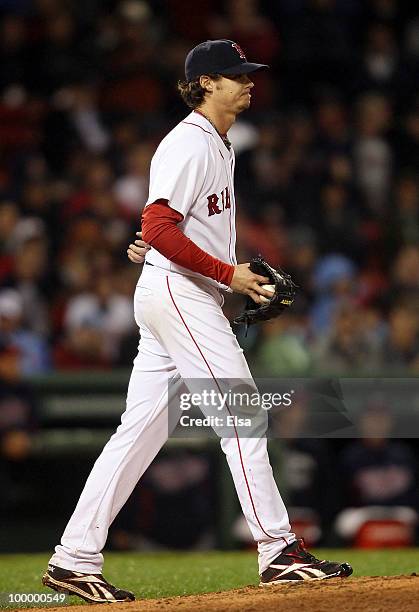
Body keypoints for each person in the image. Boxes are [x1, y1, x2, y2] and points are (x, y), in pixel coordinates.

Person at [42, 39, 352, 604]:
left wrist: (213, 276)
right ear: (206, 83)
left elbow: (164, 234)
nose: (249, 82)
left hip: (177, 292)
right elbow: (158, 226)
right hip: (179, 294)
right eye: (237, 75)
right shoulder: (189, 142)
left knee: (137, 434)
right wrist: (224, 274)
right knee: (244, 415)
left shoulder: (218, 144)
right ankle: (278, 549)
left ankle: (73, 559)